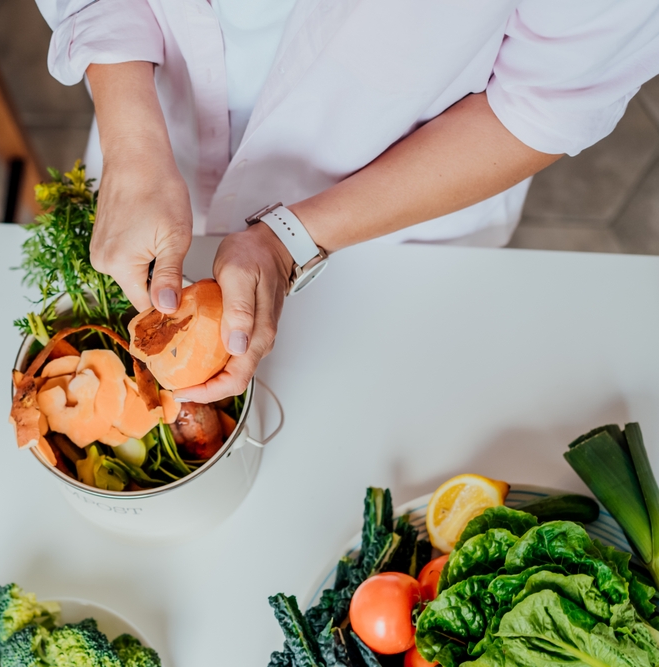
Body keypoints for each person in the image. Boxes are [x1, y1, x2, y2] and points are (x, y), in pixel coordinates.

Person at [34, 0, 659, 403]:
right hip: (155, 128)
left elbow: (540, 103)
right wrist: (135, 144)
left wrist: (289, 241)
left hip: (398, 218)